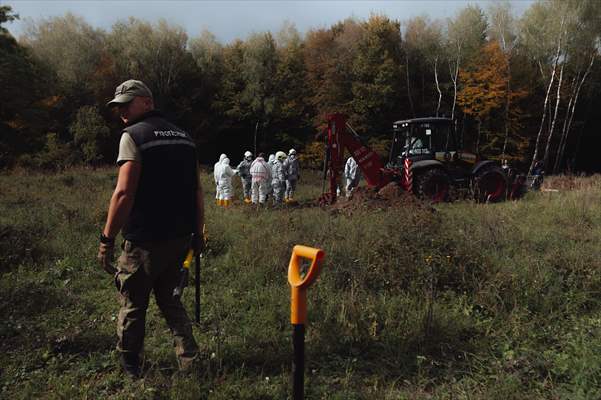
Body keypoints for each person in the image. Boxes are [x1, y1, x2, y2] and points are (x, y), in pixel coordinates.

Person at [98, 79, 203, 378]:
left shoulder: (133, 136)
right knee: (171, 301)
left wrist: (106, 239)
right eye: (118, 107)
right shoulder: (184, 137)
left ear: (147, 101)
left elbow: (123, 193)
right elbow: (197, 190)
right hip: (181, 237)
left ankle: (132, 365)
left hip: (145, 241)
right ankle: (190, 361)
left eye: (127, 104)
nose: (122, 112)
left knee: (133, 303)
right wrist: (198, 233)